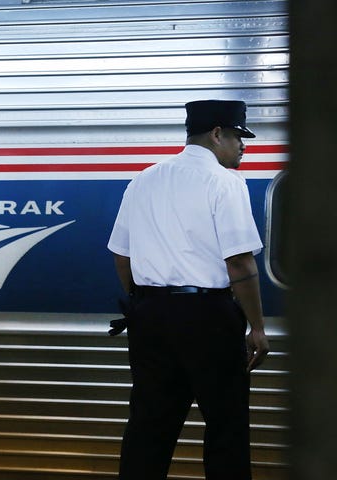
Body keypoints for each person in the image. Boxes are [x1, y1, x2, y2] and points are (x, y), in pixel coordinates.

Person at [107, 99, 270, 480]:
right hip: (208, 318)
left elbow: (120, 255)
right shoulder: (224, 182)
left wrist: (142, 301)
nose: (243, 146)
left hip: (149, 317)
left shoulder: (143, 179)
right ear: (216, 134)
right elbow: (240, 263)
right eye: (237, 137)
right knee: (225, 428)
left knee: (149, 427)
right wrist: (257, 328)